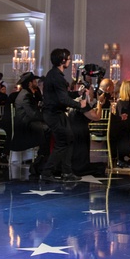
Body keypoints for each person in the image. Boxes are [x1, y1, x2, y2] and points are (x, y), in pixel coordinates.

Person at [40, 48, 82, 181]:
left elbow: (63, 95)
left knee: (68, 140)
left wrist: (77, 94)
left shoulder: (54, 75)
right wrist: (80, 105)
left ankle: (66, 172)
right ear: (63, 60)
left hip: (57, 114)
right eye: (68, 58)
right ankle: (47, 173)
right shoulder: (56, 76)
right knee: (63, 142)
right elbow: (62, 99)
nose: (69, 61)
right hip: (54, 114)